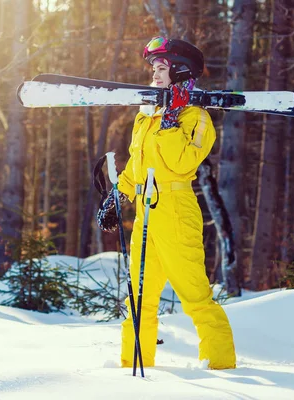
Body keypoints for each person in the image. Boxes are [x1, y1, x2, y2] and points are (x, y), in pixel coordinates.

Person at [101, 36, 237, 370]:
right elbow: (137, 164)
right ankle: (132, 366)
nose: (155, 74)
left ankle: (221, 367)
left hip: (177, 213)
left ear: (179, 71)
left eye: (161, 68)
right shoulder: (146, 116)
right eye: (153, 68)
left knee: (195, 298)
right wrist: (119, 195)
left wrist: (173, 121)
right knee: (139, 300)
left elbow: (181, 163)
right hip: (146, 213)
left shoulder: (197, 119)